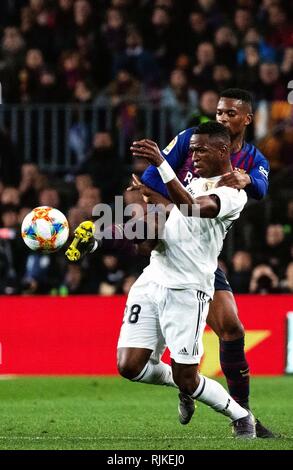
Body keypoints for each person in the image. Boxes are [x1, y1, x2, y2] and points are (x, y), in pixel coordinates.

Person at [66, 89, 274, 437]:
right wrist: (102, 234)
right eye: (219, 112)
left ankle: (242, 415)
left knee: (220, 341)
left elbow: (200, 204)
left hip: (192, 279)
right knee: (129, 366)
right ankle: (186, 383)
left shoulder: (234, 187)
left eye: (199, 151)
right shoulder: (188, 168)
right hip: (156, 273)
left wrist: (164, 171)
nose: (192, 157)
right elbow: (157, 212)